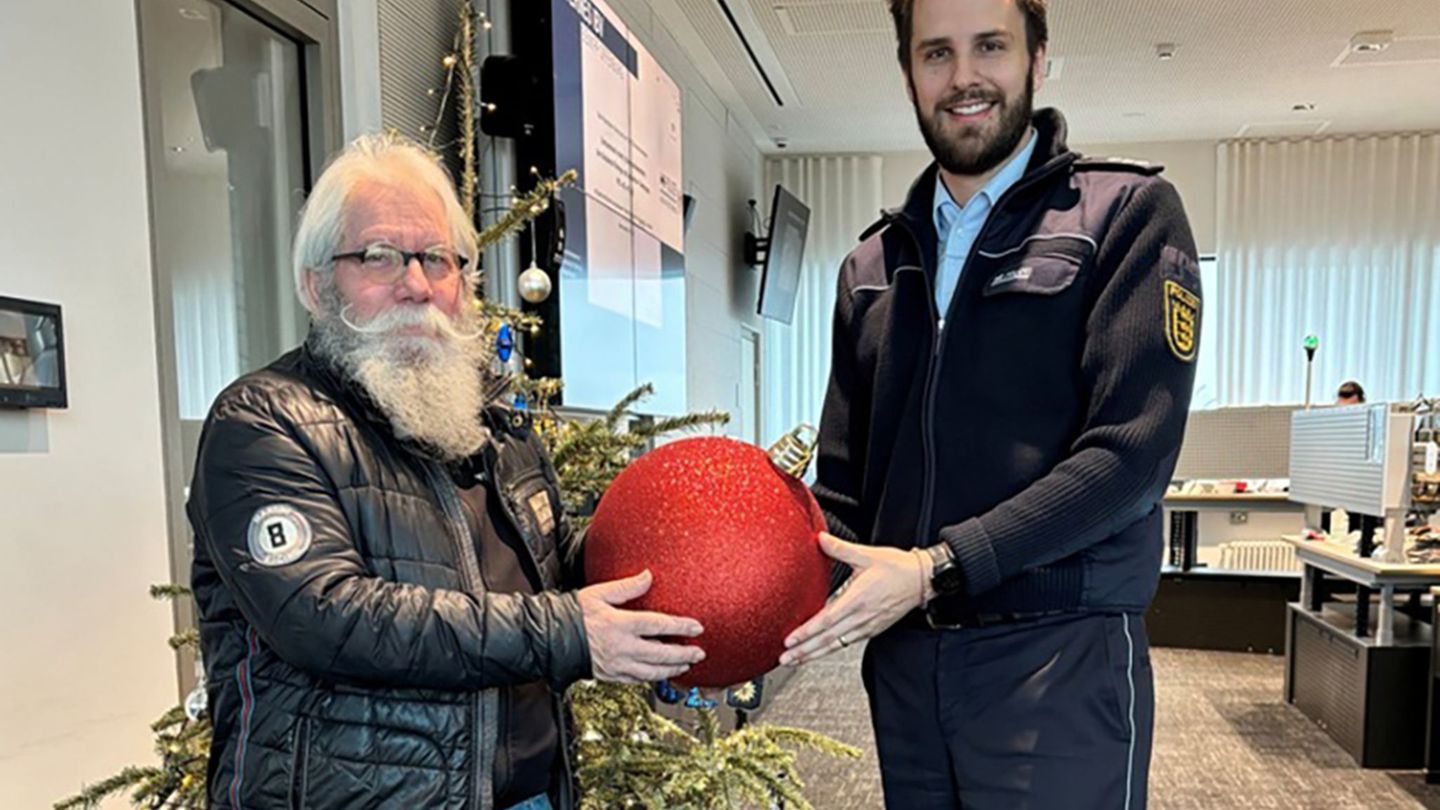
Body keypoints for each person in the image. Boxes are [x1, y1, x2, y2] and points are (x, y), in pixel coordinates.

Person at [189, 133, 705, 810]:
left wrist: (685, 571)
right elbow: (328, 615)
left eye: (438, 258)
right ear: (316, 285)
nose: (417, 285)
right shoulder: (265, 421)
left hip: (529, 794)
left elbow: (552, 573)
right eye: (378, 256)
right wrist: (569, 633)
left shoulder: (492, 419)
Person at [779, 0, 1202, 807]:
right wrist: (722, 611)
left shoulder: (1125, 215)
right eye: (935, 53)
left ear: (1038, 57)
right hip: (906, 673)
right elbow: (840, 499)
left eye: (991, 47)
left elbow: (1130, 459)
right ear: (906, 70)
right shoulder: (872, 266)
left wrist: (941, 567)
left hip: (1058, 664)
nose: (963, 77)